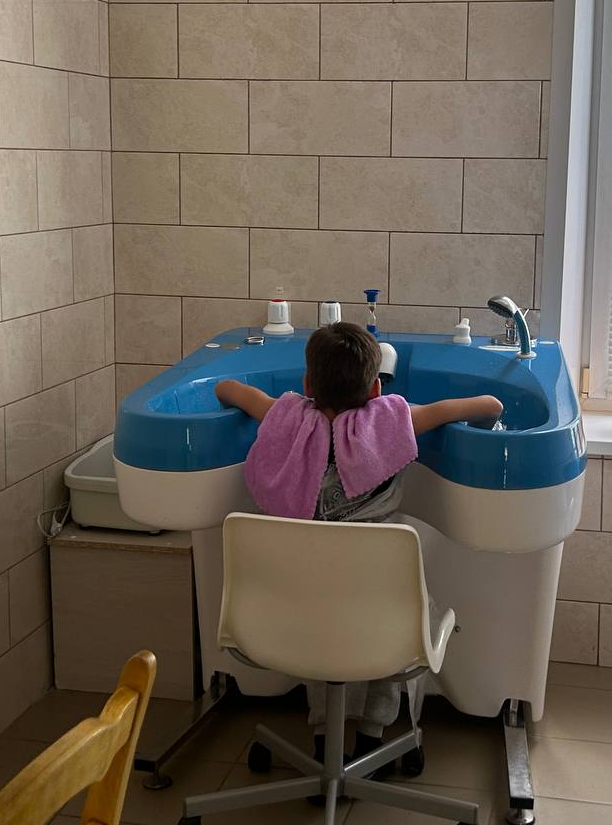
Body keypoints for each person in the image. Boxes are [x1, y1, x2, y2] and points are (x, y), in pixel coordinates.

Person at [214, 322, 503, 778]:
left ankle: (323, 739)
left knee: (321, 611)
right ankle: (373, 736)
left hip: (294, 613)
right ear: (375, 389)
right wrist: (488, 413)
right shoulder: (393, 422)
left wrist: (252, 395)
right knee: (395, 611)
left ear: (308, 385)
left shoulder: (283, 418)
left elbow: (229, 389)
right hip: (380, 615)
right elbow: (486, 405)